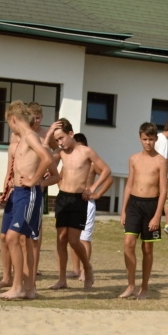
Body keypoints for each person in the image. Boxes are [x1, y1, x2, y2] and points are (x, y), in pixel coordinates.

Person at [0, 101, 55, 301]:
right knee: (21, 240)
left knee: (15, 238)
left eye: (9, 124)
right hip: (17, 194)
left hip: (28, 194)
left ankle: (18, 286)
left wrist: (34, 180)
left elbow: (47, 160)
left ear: (13, 119)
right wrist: (6, 191)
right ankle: (29, 288)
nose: (10, 128)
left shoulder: (31, 137)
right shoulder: (22, 139)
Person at [47, 118, 109, 290]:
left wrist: (93, 188)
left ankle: (87, 268)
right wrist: (49, 135)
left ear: (71, 134)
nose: (59, 142)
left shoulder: (86, 151)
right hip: (63, 198)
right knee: (60, 239)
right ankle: (62, 279)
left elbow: (106, 170)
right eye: (57, 139)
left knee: (74, 240)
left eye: (61, 138)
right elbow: (45, 157)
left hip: (78, 199)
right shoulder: (60, 152)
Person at [118, 122, 167, 300]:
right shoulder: (133, 159)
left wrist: (157, 216)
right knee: (128, 243)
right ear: (140, 138)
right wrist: (123, 210)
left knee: (147, 249)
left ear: (155, 139)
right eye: (145, 139)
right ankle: (131, 285)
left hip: (151, 206)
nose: (148, 143)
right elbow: (129, 184)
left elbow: (163, 190)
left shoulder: (161, 161)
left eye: (151, 139)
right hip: (134, 204)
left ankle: (144, 288)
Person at [70, 132, 95, 280]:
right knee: (73, 238)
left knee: (85, 238)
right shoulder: (72, 160)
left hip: (87, 203)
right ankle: (75, 269)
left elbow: (107, 176)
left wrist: (95, 191)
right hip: (73, 201)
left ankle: (86, 270)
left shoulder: (92, 162)